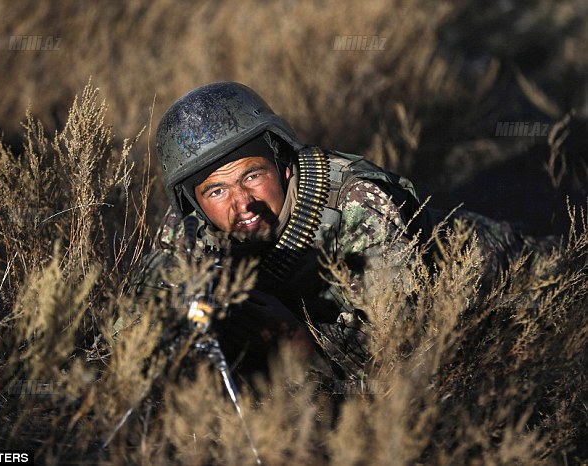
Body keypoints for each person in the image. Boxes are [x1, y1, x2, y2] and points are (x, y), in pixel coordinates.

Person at [132, 81, 553, 381]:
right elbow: (132, 331)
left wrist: (297, 341)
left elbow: (404, 352)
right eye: (217, 190)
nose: (242, 203)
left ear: (280, 162)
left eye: (252, 176)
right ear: (195, 203)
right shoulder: (192, 230)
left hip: (508, 277)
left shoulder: (356, 203)